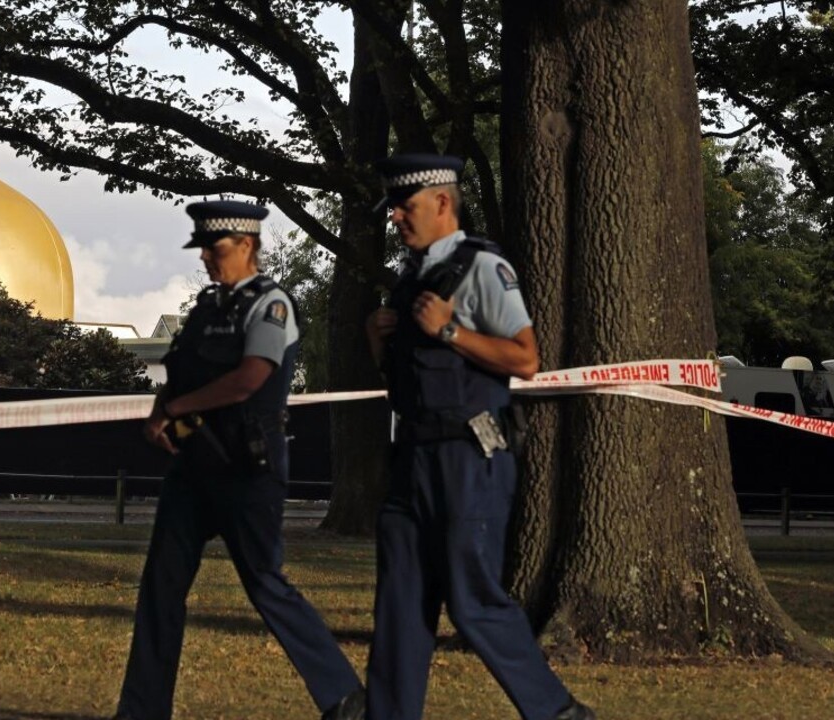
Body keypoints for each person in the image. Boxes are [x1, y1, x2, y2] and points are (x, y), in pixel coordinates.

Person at [363, 154, 596, 720]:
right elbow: (402, 384)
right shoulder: (409, 281)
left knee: (473, 603)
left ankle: (559, 713)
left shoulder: (483, 268)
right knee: (399, 605)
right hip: (412, 459)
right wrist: (378, 339)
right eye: (393, 206)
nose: (395, 216)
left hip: (470, 457)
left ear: (442, 202)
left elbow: (526, 358)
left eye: (406, 205)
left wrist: (449, 329)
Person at [113, 200, 365, 720]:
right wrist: (161, 413)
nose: (205, 257)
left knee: (266, 584)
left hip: (248, 467)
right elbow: (180, 373)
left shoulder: (271, 305)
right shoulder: (207, 308)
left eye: (215, 247)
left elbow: (251, 376)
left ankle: (345, 697)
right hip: (193, 466)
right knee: (161, 587)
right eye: (202, 247)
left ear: (246, 245)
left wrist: (177, 407)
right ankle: (141, 710)